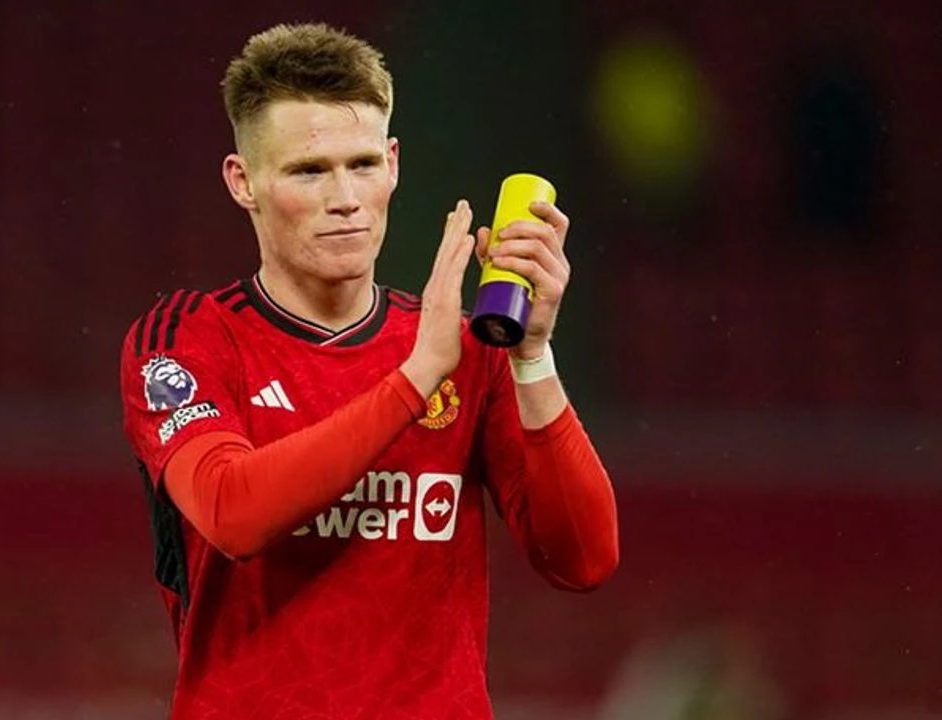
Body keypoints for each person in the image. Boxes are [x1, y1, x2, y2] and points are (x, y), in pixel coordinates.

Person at [119, 22, 619, 720]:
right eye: (309, 171)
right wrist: (414, 382)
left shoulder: (464, 349)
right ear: (243, 182)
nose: (345, 198)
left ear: (393, 164)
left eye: (361, 165)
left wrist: (533, 355)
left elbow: (583, 560)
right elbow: (233, 512)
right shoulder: (188, 339)